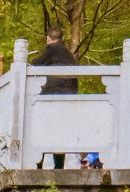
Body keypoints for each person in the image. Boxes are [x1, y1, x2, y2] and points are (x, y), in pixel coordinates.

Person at [32, 27, 79, 167]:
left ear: (48, 38)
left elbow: (37, 63)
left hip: (52, 95)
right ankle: (58, 167)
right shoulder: (68, 53)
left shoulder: (52, 49)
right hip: (69, 95)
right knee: (60, 132)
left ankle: (37, 166)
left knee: (41, 130)